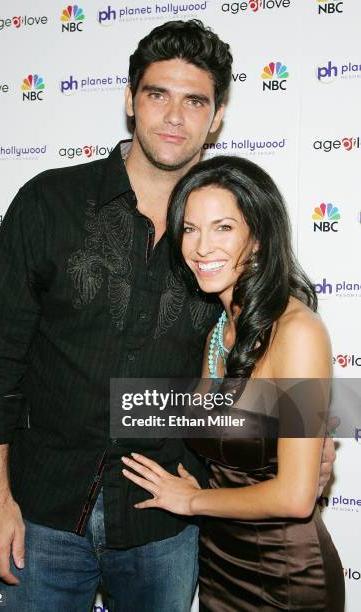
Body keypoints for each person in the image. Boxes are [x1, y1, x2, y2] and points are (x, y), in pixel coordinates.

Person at [0, 20, 335, 612]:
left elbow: (259, 354)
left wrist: (303, 428)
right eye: (158, 94)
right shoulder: (48, 203)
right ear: (130, 100)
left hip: (165, 522)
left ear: (216, 117)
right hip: (43, 512)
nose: (175, 117)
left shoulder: (222, 238)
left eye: (195, 101)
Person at [121, 155, 345, 611]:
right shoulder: (217, 330)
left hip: (285, 575)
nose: (202, 247)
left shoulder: (297, 332)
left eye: (223, 228)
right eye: (189, 229)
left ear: (259, 237)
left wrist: (193, 501)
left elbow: (297, 496)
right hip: (220, 566)